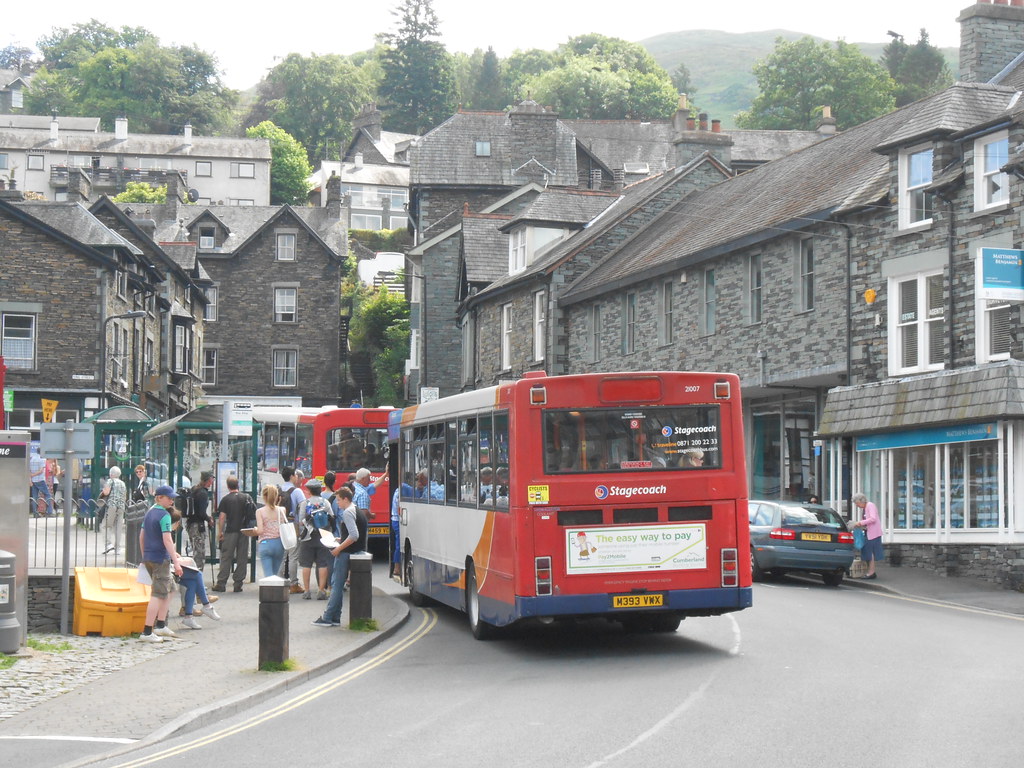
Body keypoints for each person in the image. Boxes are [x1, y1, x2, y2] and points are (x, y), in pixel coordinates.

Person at [138, 485, 184, 643]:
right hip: (160, 559)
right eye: (169, 497)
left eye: (172, 498)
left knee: (170, 589)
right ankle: (147, 631)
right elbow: (167, 539)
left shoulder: (149, 513)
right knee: (157, 594)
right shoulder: (164, 515)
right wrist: (176, 562)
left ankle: (161, 624)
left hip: (150, 557)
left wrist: (144, 556)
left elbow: (142, 536)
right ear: (159, 498)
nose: (172, 500)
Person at [313, 486, 362, 628]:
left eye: (339, 500)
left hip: (344, 553)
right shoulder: (356, 509)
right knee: (337, 585)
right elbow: (353, 535)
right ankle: (335, 617)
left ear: (346, 499)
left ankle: (328, 617)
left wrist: (338, 548)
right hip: (350, 551)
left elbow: (354, 535)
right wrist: (340, 539)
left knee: (336, 585)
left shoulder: (347, 512)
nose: (338, 503)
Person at [167, 511, 221, 629]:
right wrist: (177, 560)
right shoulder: (168, 533)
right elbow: (168, 550)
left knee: (192, 583)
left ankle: (189, 616)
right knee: (197, 575)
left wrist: (175, 556)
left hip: (168, 564)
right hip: (167, 566)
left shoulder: (168, 532)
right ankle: (206, 606)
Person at [213, 476, 254, 593]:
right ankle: (238, 584)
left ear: (227, 486)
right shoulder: (246, 497)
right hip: (244, 531)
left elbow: (222, 518)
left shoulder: (226, 499)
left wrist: (220, 532)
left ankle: (221, 583)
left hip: (230, 531)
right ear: (238, 485)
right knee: (242, 557)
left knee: (226, 557)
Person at [297, 479, 333, 600]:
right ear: (319, 489)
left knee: (306, 564)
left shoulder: (305, 503)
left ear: (309, 490)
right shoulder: (325, 502)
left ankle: (307, 591)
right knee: (322, 563)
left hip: (308, 537)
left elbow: (301, 521)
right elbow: (332, 517)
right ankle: (321, 590)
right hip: (323, 536)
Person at [277, 466, 306, 594]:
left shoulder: (277, 489)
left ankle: (279, 582)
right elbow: (303, 510)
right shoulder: (297, 491)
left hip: (279, 525)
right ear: (292, 476)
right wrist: (301, 527)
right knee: (293, 556)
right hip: (292, 525)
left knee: (281, 556)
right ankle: (294, 584)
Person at [255, 484, 286, 578]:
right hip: (279, 544)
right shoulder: (282, 510)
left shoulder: (260, 511)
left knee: (268, 576)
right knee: (275, 574)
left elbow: (260, 531)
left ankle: (268, 592)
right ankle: (276, 592)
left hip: (265, 543)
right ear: (276, 496)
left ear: (264, 497)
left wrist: (255, 530)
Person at [850, 492, 883, 580]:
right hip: (869, 532)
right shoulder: (865, 507)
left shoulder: (870, 505)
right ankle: (870, 571)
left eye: (857, 503)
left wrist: (860, 523)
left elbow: (873, 518)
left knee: (870, 553)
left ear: (861, 500)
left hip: (873, 533)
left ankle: (871, 572)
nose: (857, 505)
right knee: (868, 552)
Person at [186, 471, 215, 570]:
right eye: (211, 479)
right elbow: (201, 513)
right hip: (197, 526)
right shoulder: (202, 493)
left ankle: (196, 577)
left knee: (195, 550)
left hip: (191, 524)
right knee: (199, 553)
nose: (212, 482)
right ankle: (197, 577)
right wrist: (209, 519)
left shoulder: (195, 489)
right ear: (208, 480)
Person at [99, 466, 128, 554]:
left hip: (112, 506)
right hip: (121, 506)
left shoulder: (110, 481)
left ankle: (108, 544)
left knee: (105, 525)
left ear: (111, 474)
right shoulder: (123, 483)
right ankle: (117, 548)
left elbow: (106, 492)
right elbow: (125, 496)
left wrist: (103, 491)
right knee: (118, 527)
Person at [29, 447, 53, 517]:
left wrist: (31, 477)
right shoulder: (42, 459)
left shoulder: (32, 459)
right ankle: (49, 512)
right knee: (47, 494)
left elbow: (29, 471)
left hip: (33, 481)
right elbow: (41, 471)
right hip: (40, 480)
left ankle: (35, 513)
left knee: (34, 496)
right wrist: (34, 475)